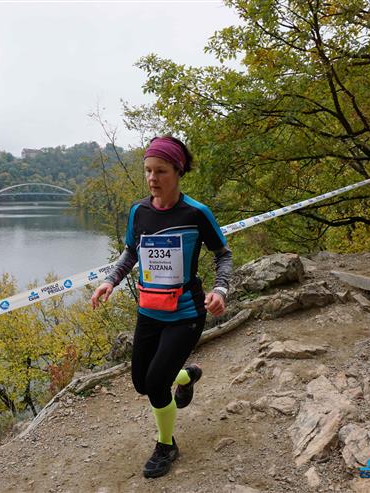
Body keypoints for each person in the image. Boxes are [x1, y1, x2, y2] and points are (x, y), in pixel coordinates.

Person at [91, 135, 233, 478]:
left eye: (161, 171)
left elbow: (223, 254)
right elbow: (131, 251)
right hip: (149, 311)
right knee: (142, 383)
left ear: (178, 172)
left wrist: (220, 289)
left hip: (186, 313)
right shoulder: (138, 212)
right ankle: (187, 376)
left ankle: (166, 445)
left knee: (156, 385)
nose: (152, 178)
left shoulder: (196, 213)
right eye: (148, 171)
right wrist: (110, 280)